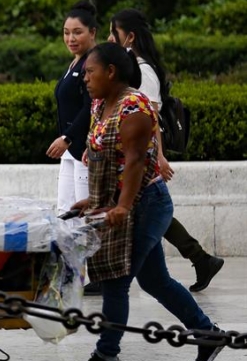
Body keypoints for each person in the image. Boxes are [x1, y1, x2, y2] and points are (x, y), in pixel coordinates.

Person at [76, 43, 221, 361]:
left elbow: (136, 161)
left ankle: (105, 354)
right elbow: (109, 161)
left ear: (110, 72)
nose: (84, 78)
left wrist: (124, 206)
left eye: (90, 71)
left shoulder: (135, 107)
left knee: (116, 281)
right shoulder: (100, 104)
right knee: (156, 281)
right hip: (123, 204)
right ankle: (208, 333)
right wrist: (92, 200)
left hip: (147, 205)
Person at [107, 8, 224, 292]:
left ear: (130, 37)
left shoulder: (142, 71)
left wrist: (158, 157)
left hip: (143, 155)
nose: (109, 38)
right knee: (148, 211)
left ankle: (197, 259)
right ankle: (200, 258)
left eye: (114, 33)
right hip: (136, 154)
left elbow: (150, 118)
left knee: (148, 210)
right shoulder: (133, 66)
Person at [47, 0, 98, 212]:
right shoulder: (75, 63)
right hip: (70, 149)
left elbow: (90, 106)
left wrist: (67, 137)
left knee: (84, 216)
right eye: (66, 33)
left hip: (84, 149)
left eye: (78, 32)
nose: (71, 38)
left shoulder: (93, 63)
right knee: (64, 211)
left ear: (92, 32)